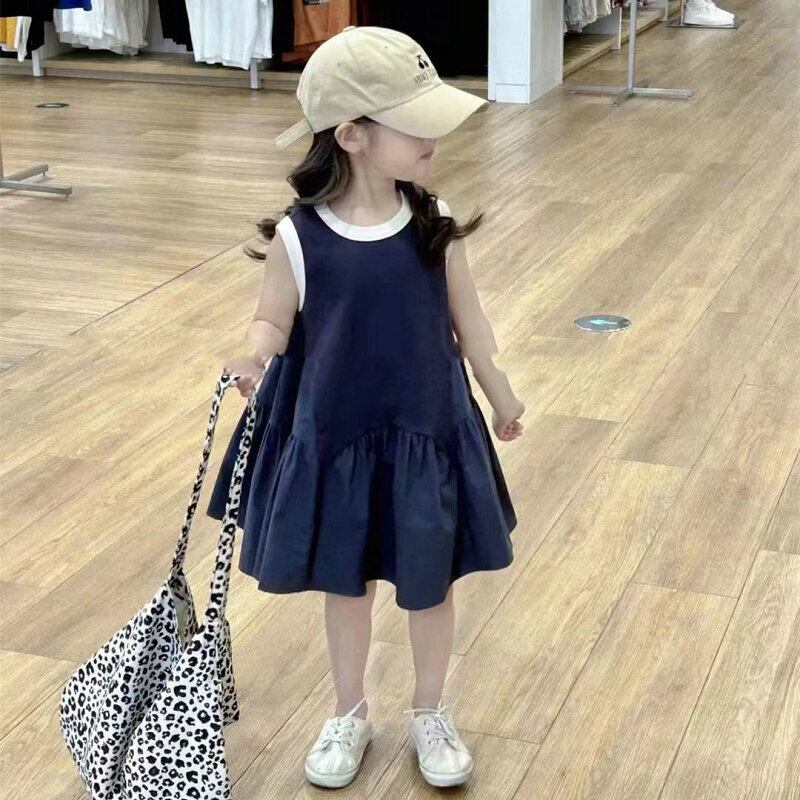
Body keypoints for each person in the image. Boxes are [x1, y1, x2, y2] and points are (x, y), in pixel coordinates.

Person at [206, 25, 525, 790]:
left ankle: (429, 709)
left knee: (431, 585)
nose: (434, 138)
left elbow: (469, 321)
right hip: (337, 437)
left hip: (425, 431)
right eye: (415, 124)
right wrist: (254, 357)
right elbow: (273, 317)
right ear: (351, 136)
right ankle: (348, 711)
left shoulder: (432, 218)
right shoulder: (300, 236)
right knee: (345, 585)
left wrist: (499, 389)